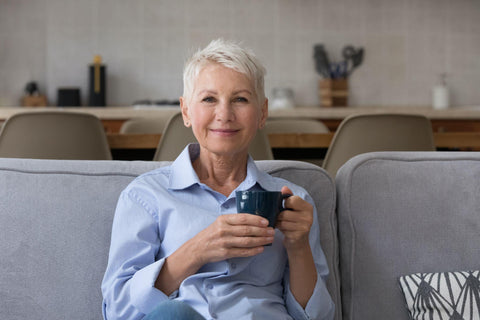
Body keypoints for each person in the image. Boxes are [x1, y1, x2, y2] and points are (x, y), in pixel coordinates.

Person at [101, 39, 334, 320]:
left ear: (262, 113)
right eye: (209, 99)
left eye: (240, 99)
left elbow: (316, 317)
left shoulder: (293, 202)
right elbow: (117, 311)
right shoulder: (145, 196)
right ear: (186, 111)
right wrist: (196, 251)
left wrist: (298, 247)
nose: (224, 114)